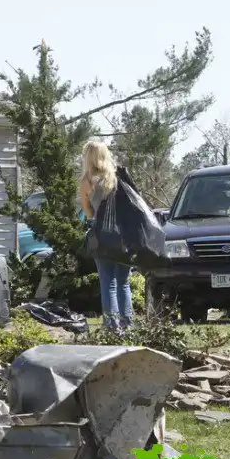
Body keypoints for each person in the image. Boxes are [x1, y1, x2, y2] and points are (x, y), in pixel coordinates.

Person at [80, 140, 133, 333]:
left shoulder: (87, 181)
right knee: (123, 283)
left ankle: (112, 327)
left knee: (108, 283)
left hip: (102, 236)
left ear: (88, 157)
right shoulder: (118, 177)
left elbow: (88, 213)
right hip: (124, 236)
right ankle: (127, 325)